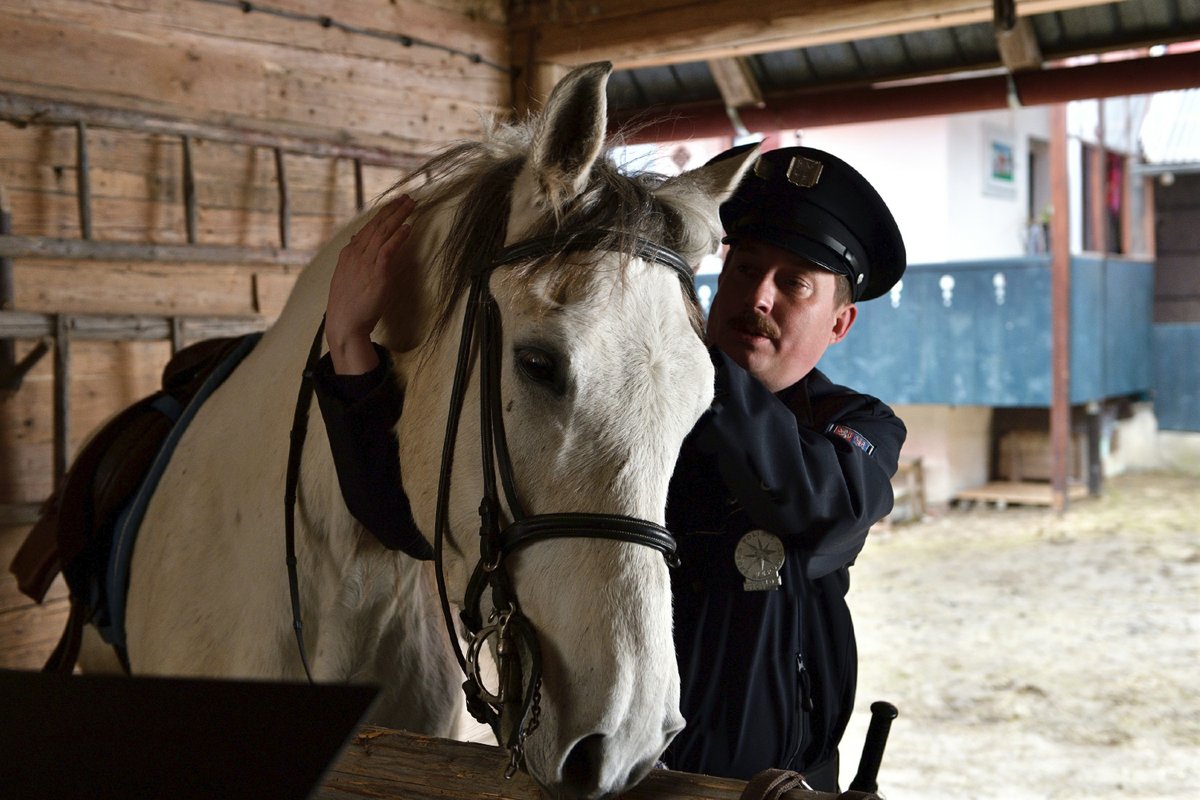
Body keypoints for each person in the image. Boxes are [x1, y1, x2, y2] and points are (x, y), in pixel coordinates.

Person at [312, 146, 907, 792]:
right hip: (615, 776)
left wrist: (682, 357)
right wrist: (348, 344)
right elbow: (416, 522)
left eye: (793, 284)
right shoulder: (626, 402)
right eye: (745, 268)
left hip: (776, 791)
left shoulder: (857, 428)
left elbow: (818, 507)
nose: (759, 296)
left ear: (840, 322)